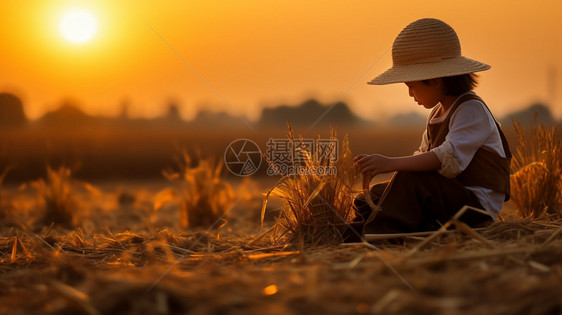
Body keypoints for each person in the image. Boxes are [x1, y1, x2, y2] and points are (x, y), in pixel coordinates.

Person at [344, 18, 511, 242]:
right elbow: (424, 161)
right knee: (375, 195)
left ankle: (379, 238)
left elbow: (446, 160)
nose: (411, 94)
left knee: (407, 180)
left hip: (475, 209)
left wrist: (389, 163)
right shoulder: (436, 114)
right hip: (449, 199)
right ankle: (354, 232)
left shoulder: (471, 109)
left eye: (412, 86)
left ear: (434, 79)